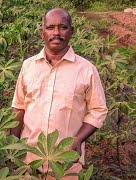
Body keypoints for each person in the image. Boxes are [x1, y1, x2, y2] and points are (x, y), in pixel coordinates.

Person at [10, 8, 108, 179]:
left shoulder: (86, 70)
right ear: (42, 33)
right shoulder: (28, 66)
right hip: (29, 159)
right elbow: (19, 107)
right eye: (50, 27)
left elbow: (98, 110)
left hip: (66, 162)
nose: (56, 33)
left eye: (63, 27)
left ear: (71, 32)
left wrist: (78, 140)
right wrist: (12, 146)